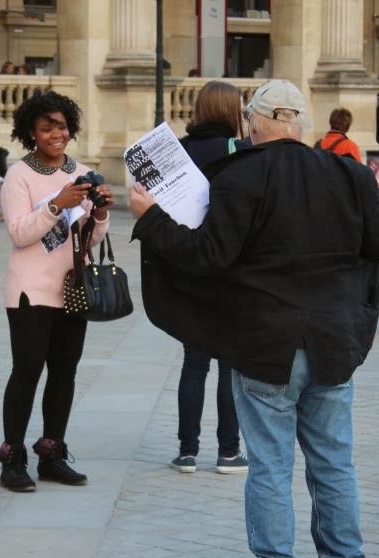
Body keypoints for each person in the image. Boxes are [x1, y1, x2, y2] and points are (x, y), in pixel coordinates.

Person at [129, 80, 379, 558]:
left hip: (266, 341)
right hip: (333, 341)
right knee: (334, 460)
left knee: (271, 463)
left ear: (253, 123)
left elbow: (208, 255)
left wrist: (150, 217)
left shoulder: (243, 173)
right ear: (300, 122)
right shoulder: (347, 172)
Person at [0, 91, 115, 493]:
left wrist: (99, 211)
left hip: (71, 289)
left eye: (61, 126)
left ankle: (52, 453)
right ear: (31, 132)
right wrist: (54, 205)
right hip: (30, 291)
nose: (56, 134)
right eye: (46, 127)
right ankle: (12, 459)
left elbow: (91, 238)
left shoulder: (82, 171)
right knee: (27, 372)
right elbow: (18, 233)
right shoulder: (19, 175)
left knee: (64, 373)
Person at [149, 81, 248, 474]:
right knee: (228, 365)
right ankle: (228, 452)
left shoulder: (179, 153)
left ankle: (187, 451)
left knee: (194, 362)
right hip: (228, 269)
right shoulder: (240, 152)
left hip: (187, 266)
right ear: (231, 112)